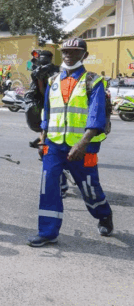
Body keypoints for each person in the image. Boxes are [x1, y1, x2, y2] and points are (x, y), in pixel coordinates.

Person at [28, 38, 113, 247]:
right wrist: (43, 139)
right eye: (65, 51)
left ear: (85, 55)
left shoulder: (93, 81)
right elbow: (48, 113)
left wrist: (82, 144)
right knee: (48, 186)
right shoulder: (53, 81)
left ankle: (104, 215)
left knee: (89, 187)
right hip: (54, 145)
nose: (68, 55)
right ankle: (48, 232)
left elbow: (96, 117)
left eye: (74, 51)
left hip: (84, 146)